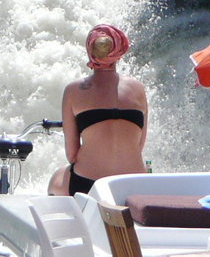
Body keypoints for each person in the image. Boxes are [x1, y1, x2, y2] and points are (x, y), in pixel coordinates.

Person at [48, 24, 148, 196]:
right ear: (118, 51)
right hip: (133, 187)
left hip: (89, 186)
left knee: (57, 178)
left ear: (90, 52)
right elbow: (138, 146)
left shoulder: (74, 90)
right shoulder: (137, 88)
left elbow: (72, 155)